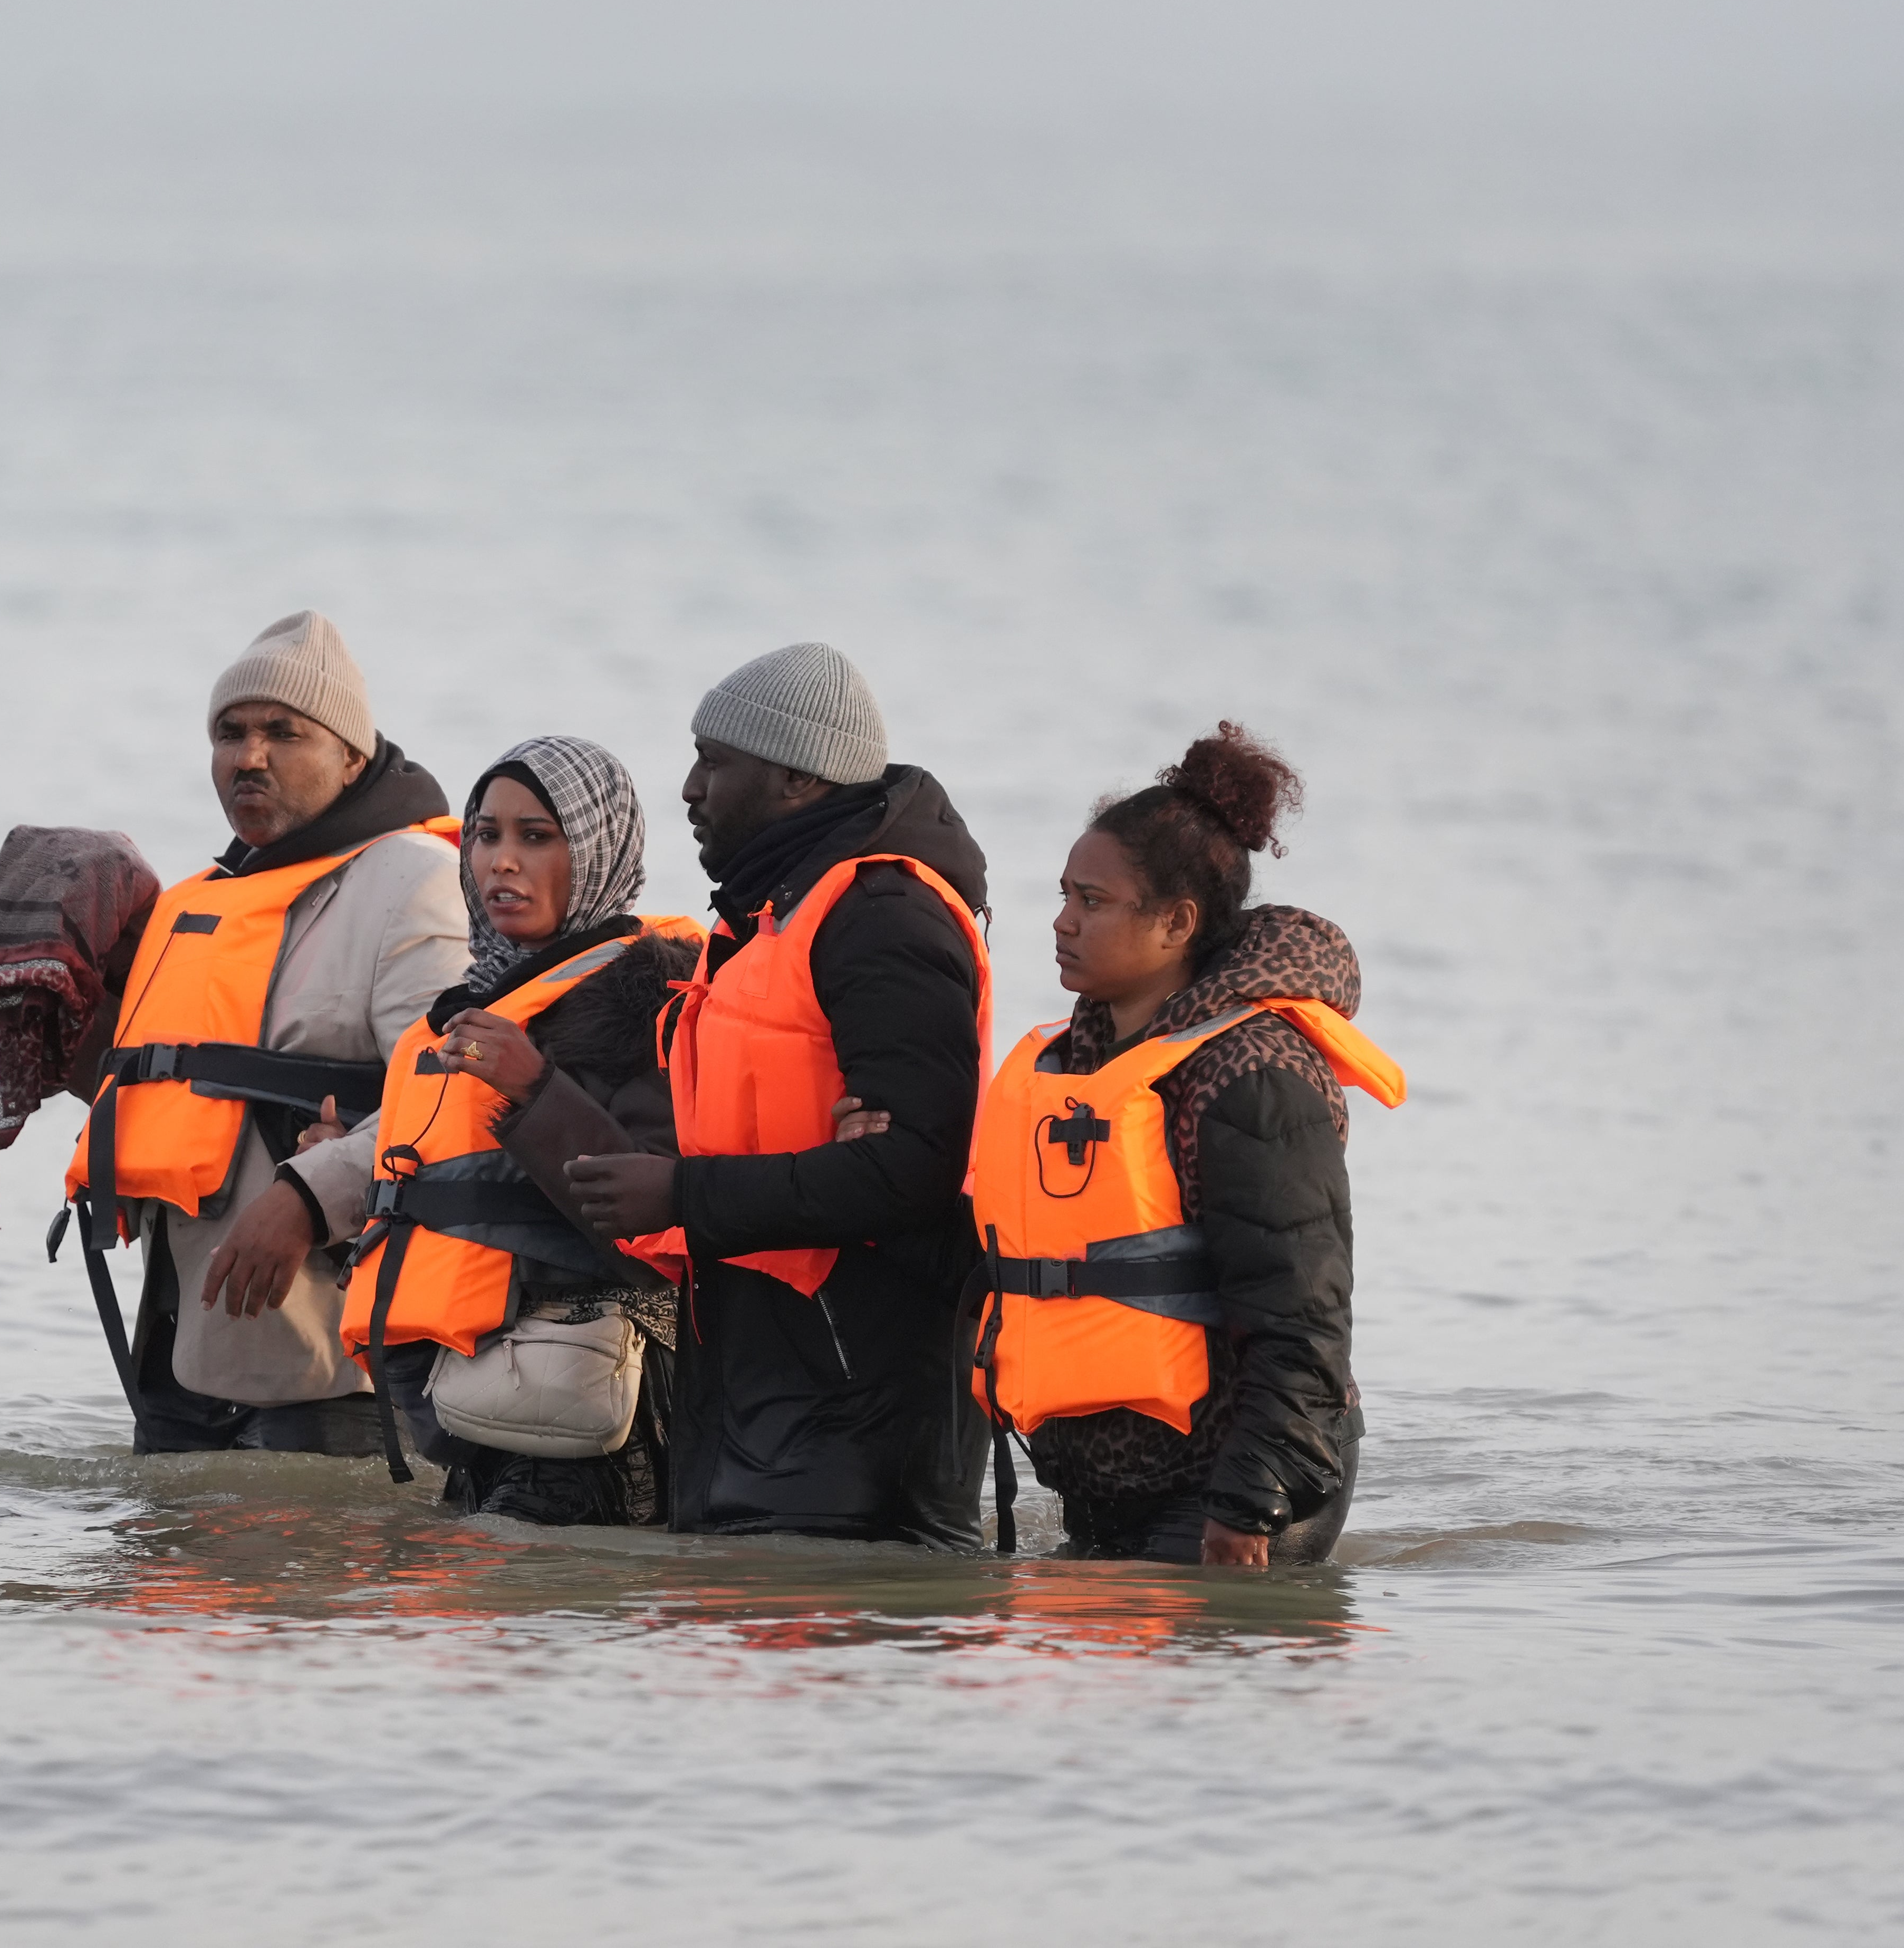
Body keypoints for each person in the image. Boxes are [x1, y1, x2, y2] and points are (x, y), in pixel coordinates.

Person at [563, 642, 993, 1547]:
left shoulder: (882, 915)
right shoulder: (767, 916)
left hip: (856, 1408)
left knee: (826, 1666)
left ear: (797, 780)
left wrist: (680, 1193)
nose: (687, 787)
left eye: (714, 762)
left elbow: (918, 1165)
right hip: (760, 1383)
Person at [970, 724, 1405, 1566]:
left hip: (1242, 1482)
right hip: (1115, 1483)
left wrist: (1247, 1506)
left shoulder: (1252, 1073)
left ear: (1177, 923)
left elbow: (1304, 1323)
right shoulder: (1075, 1062)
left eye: (1092, 901)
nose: (1061, 921)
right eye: (1062, 894)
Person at [55, 611, 467, 1454]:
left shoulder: (416, 887)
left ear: (353, 755)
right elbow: (180, 1090)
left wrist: (308, 1196)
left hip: (331, 1371)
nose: (249, 756)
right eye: (230, 733)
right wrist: (60, 1028)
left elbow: (453, 1108)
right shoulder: (204, 897)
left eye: (284, 733)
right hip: (181, 1353)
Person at [323, 736, 700, 1523]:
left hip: (598, 1420)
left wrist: (535, 1085)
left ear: (598, 849)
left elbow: (661, 1221)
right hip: (476, 1411)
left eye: (537, 836)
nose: (501, 861)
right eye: (487, 834)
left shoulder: (650, 996)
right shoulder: (473, 1008)